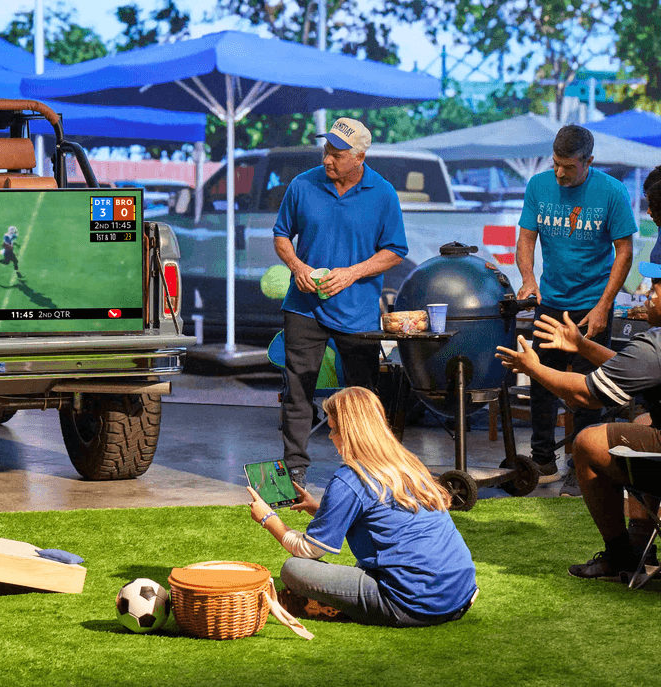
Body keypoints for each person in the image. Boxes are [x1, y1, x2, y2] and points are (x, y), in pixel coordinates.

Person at [247, 387, 478, 627]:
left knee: (293, 569)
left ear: (348, 432)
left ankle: (333, 606)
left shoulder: (350, 478)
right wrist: (320, 508)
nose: (330, 437)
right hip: (459, 596)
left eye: (333, 429)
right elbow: (384, 517)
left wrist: (268, 519)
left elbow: (309, 550)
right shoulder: (407, 463)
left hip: (411, 604)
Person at [496, 255, 661, 578]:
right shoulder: (653, 348)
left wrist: (534, 369)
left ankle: (620, 556)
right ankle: (641, 546)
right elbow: (633, 368)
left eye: (657, 286)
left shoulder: (655, 345)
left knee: (588, 442)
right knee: (642, 424)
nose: (649, 293)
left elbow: (586, 394)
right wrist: (582, 345)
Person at [273, 117, 408, 488]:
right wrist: (298, 267)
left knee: (363, 396)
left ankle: (367, 467)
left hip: (358, 311)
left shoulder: (383, 193)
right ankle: (294, 471)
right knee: (297, 390)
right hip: (303, 307)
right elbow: (282, 236)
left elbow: (395, 250)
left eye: (337, 154)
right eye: (326, 151)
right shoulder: (303, 184)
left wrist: (352, 273)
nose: (327, 159)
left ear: (360, 157)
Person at [515, 124, 636, 495]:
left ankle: (581, 466)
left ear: (589, 161)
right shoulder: (538, 186)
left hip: (591, 307)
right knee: (541, 381)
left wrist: (604, 305)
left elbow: (625, 251)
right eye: (556, 164)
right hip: (550, 303)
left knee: (589, 390)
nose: (559, 172)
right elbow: (526, 239)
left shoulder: (612, 192)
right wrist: (528, 279)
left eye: (568, 167)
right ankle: (543, 461)